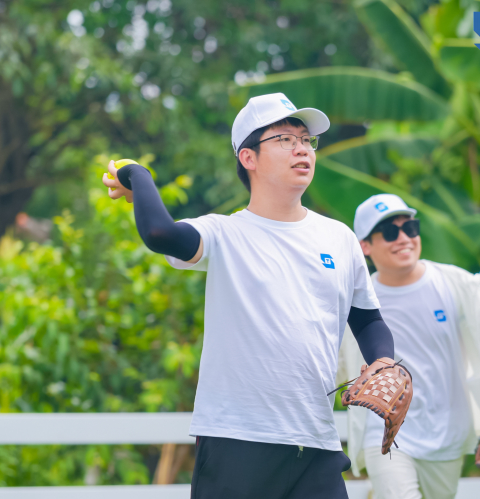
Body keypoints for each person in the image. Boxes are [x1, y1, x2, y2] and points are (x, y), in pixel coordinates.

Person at [101, 93, 397, 499]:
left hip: (317, 443)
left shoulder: (339, 238)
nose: (302, 149)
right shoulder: (224, 233)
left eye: (307, 140)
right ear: (248, 157)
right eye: (285, 139)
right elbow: (159, 233)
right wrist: (137, 175)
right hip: (236, 440)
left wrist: (383, 362)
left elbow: (367, 319)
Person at [337, 193, 480, 499]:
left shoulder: (456, 284)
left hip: (447, 434)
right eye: (389, 232)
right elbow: (328, 364)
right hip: (383, 432)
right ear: (365, 246)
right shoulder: (356, 299)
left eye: (409, 228)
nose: (404, 238)